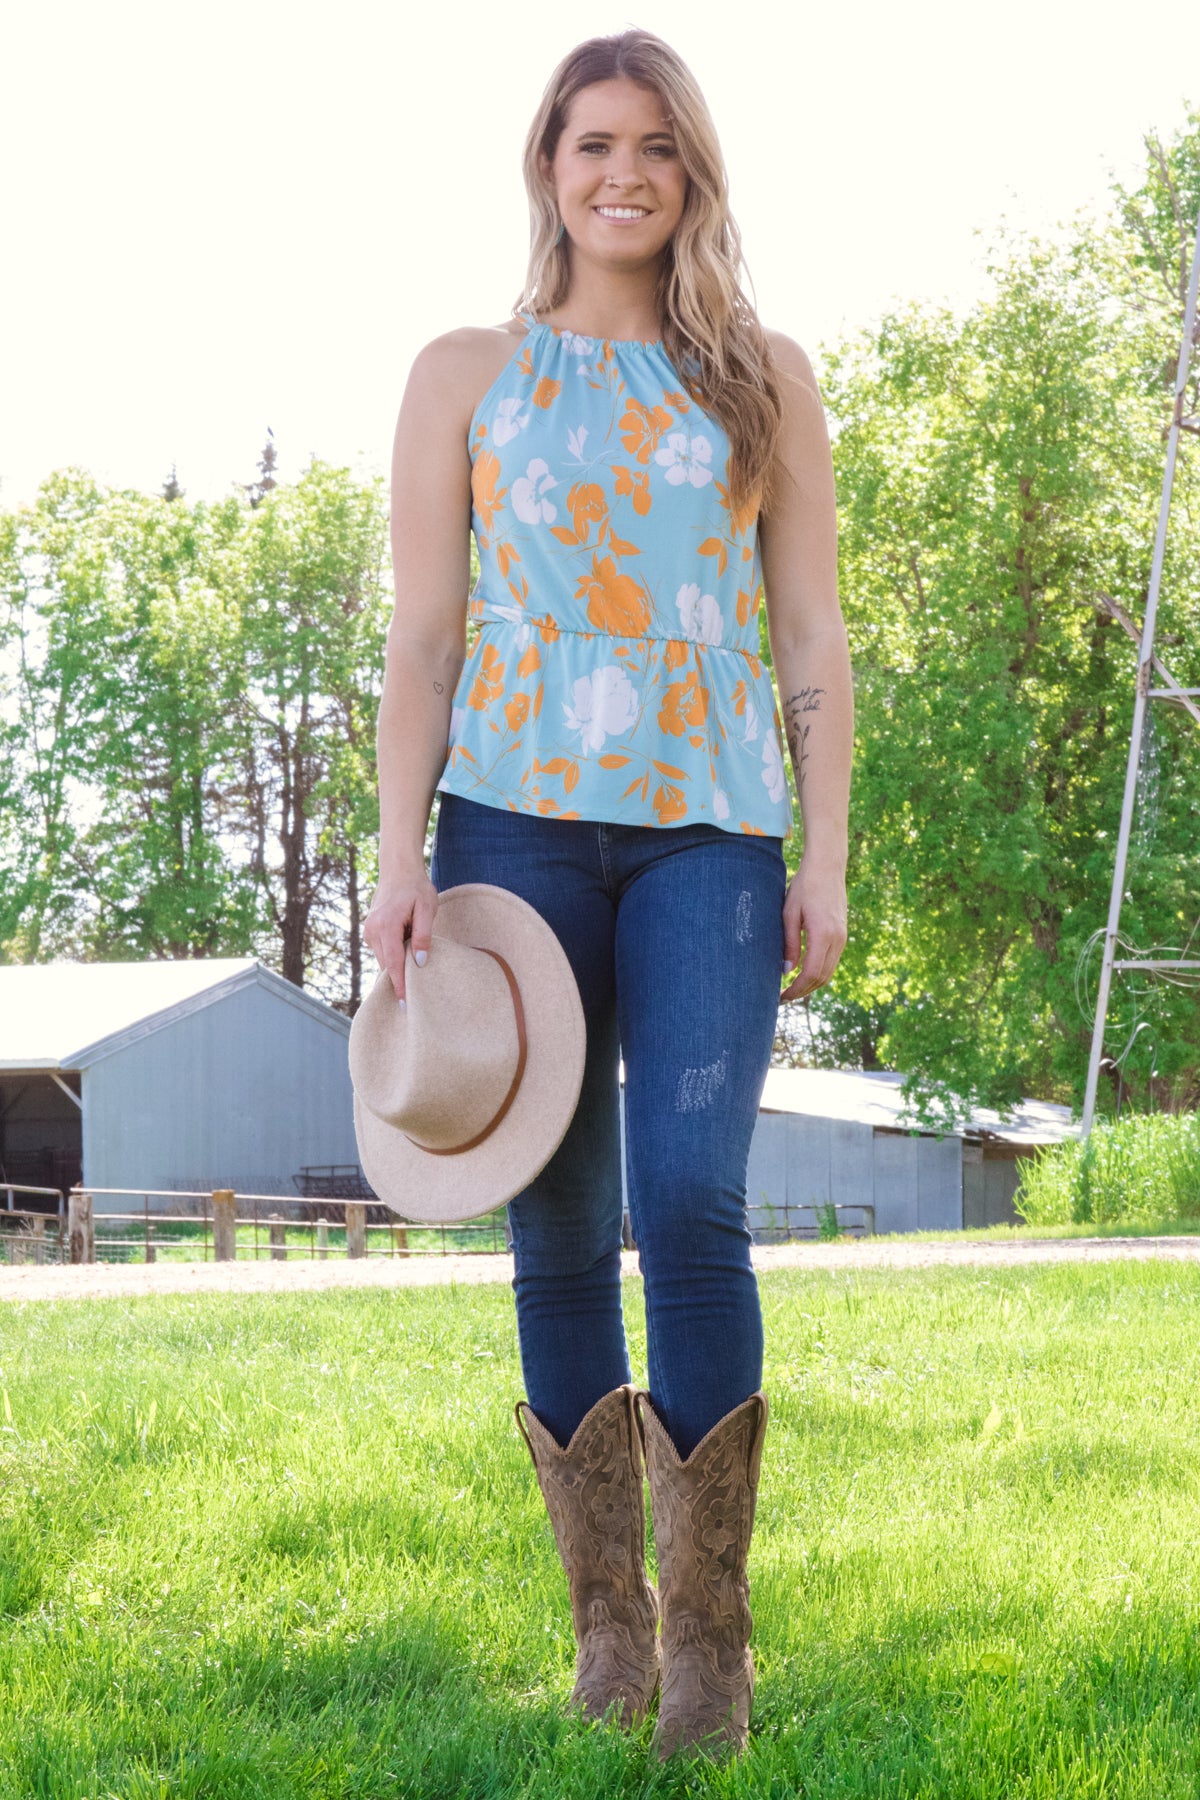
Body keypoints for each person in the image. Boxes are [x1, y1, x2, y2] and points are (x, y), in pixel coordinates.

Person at [363, 28, 852, 1762]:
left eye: (655, 145)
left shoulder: (761, 376)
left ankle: (713, 1654)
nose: (623, 172)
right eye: (592, 145)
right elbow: (423, 638)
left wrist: (827, 853)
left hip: (710, 840)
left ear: (691, 171)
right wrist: (398, 856)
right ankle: (609, 1641)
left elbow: (812, 642)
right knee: (555, 1224)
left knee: (691, 1207)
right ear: (547, 169)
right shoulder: (464, 373)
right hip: (512, 837)